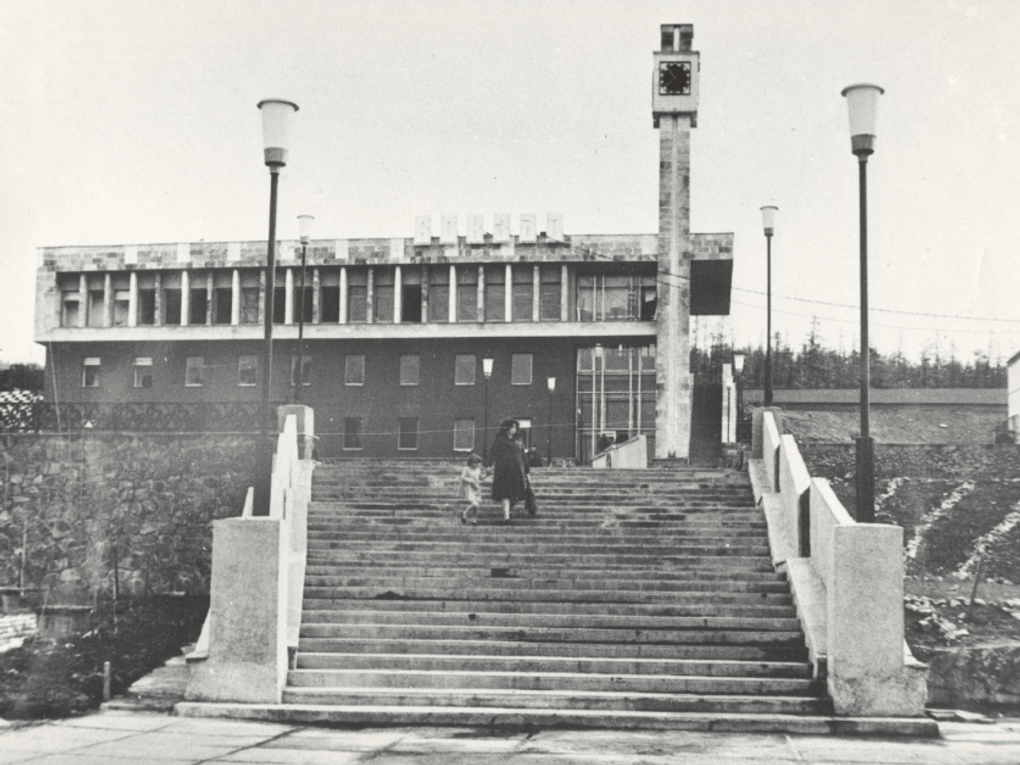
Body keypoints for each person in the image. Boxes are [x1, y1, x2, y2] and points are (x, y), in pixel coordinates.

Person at [486, 418, 529, 524]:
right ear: (506, 428)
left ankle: (508, 511)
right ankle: (506, 517)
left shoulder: (519, 439)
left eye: (515, 427)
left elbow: (523, 456)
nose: (514, 429)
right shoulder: (500, 439)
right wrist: (489, 465)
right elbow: (493, 452)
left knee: (515, 494)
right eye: (512, 427)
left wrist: (527, 471)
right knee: (505, 493)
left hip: (517, 470)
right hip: (503, 470)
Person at [458, 453, 484, 525]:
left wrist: (488, 474)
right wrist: (470, 480)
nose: (476, 464)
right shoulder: (466, 469)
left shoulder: (478, 470)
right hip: (469, 488)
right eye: (474, 462)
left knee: (476, 506)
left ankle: (474, 519)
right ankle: (465, 513)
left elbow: (481, 478)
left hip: (476, 488)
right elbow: (462, 478)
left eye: (477, 462)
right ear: (470, 462)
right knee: (475, 504)